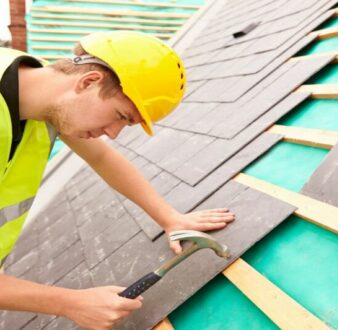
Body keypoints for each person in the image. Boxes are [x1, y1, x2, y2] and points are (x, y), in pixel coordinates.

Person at [0, 30, 235, 329]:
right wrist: (69, 303)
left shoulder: (41, 88)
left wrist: (169, 218)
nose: (113, 133)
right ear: (88, 81)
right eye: (121, 116)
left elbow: (101, 157)